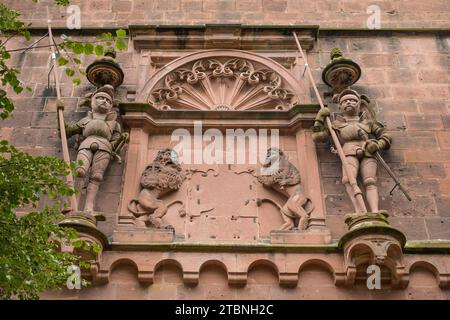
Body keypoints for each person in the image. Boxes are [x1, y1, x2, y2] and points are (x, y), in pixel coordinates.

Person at [312, 89, 391, 213]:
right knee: (349, 180)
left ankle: (375, 211)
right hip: (348, 151)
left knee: (370, 181)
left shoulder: (368, 122)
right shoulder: (335, 124)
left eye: (353, 100)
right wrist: (319, 118)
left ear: (359, 104)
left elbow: (386, 136)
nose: (349, 102)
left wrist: (378, 145)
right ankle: (359, 211)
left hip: (368, 151)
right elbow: (317, 137)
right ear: (340, 106)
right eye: (345, 101)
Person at [65, 84, 128, 216]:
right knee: (80, 171)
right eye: (100, 98)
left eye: (108, 100)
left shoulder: (113, 123)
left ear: (111, 105)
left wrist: (121, 139)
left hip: (104, 147)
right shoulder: (86, 120)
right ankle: (73, 205)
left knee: (96, 176)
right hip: (86, 144)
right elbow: (67, 131)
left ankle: (89, 207)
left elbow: (115, 141)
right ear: (93, 101)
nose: (104, 101)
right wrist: (58, 115)